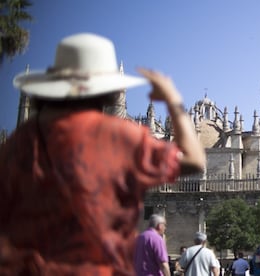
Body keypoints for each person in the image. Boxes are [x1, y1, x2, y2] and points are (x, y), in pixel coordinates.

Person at [0, 33, 206, 275]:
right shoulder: (117, 137)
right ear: (111, 92)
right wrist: (173, 100)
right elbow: (194, 160)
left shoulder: (19, 141)